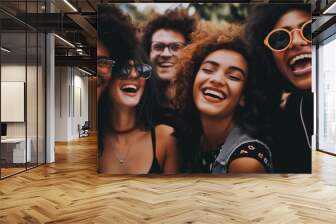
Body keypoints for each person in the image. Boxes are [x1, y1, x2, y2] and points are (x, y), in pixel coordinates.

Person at [175, 24, 273, 173]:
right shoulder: (192, 139)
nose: (217, 80)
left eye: (234, 76)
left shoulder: (246, 163)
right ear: (191, 79)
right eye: (208, 70)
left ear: (244, 97)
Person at [97, 5, 179, 174]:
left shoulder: (166, 138)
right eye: (125, 69)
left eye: (142, 69)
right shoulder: (94, 137)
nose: (134, 74)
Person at [245, 4, 313, 173]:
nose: (297, 42)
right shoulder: (274, 123)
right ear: (269, 58)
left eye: (309, 30)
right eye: (280, 38)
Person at [141, 9, 198, 128]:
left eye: (175, 47)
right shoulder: (138, 104)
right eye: (158, 47)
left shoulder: (198, 105)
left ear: (190, 52)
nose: (166, 54)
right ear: (147, 53)